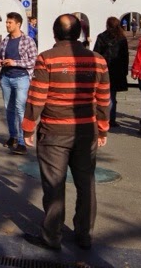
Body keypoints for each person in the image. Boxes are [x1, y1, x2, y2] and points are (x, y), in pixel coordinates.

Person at [22, 14, 110, 251]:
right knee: (86, 184)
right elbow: (103, 99)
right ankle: (84, 235)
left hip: (54, 131)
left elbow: (37, 97)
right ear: (79, 33)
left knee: (54, 185)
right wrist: (102, 130)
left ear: (55, 33)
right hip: (86, 131)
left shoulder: (47, 58)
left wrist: (28, 127)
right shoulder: (98, 60)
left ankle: (52, 237)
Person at [0, 12, 37, 155]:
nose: (7, 25)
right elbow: (1, 56)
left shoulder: (28, 40)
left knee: (20, 109)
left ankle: (21, 142)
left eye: (10, 23)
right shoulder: (5, 40)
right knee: (9, 108)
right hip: (6, 78)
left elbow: (33, 61)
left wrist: (15, 62)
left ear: (18, 24)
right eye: (6, 22)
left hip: (21, 78)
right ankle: (12, 136)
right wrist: (0, 61)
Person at [93, 17, 129, 128]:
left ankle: (103, 118)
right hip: (117, 70)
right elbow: (125, 56)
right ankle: (111, 119)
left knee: (102, 95)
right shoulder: (122, 38)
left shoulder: (101, 37)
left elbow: (96, 54)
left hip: (104, 69)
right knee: (112, 96)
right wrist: (124, 71)